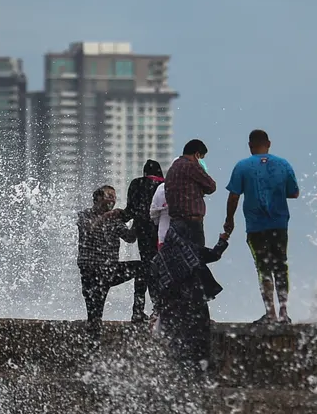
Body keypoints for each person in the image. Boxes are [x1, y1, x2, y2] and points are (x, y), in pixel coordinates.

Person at [224, 129, 301, 325]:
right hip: (279, 224)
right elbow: (294, 193)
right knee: (280, 266)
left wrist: (229, 220)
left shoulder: (242, 166)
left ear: (250, 146)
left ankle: (270, 313)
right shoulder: (283, 164)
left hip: (256, 227)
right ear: (269, 143)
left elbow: (234, 196)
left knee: (263, 268)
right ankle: (284, 313)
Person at [152, 227, 230, 378]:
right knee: (200, 340)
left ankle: (179, 375)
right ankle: (201, 373)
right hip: (195, 303)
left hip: (173, 310)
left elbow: (158, 291)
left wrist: (156, 313)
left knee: (178, 343)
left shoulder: (158, 260)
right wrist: (223, 240)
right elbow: (214, 255)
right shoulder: (190, 250)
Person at [77, 185, 140, 339]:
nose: (112, 199)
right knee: (94, 311)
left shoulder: (114, 219)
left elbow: (130, 237)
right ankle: (93, 343)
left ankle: (138, 310)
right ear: (98, 198)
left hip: (109, 270)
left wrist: (138, 217)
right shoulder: (85, 215)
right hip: (91, 270)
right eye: (109, 195)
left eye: (114, 196)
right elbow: (89, 229)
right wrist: (108, 216)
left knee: (142, 267)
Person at [123, 160, 164, 323]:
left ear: (144, 172)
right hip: (161, 233)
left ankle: (138, 310)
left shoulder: (137, 183)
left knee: (145, 268)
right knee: (158, 271)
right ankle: (159, 309)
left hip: (143, 233)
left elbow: (131, 210)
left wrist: (119, 220)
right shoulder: (164, 186)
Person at [164, 139, 216, 249]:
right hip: (192, 223)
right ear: (197, 154)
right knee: (196, 259)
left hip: (175, 223)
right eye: (201, 158)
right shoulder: (191, 166)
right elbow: (211, 186)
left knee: (181, 259)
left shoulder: (173, 168)